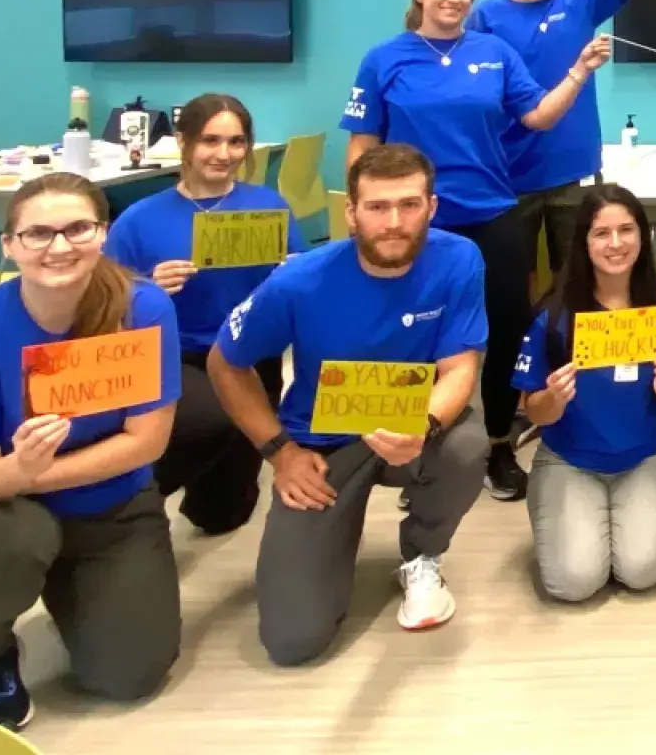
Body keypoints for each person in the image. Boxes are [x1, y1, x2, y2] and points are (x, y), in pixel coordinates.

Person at [0, 174, 182, 730]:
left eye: (77, 228)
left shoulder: (143, 308)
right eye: (37, 234)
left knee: (129, 678)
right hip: (7, 516)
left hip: (112, 511)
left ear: (103, 233)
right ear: (7, 245)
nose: (59, 247)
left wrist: (23, 472)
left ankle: (76, 595)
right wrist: (10, 475)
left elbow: (147, 443)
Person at [341, 0, 611, 504]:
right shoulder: (383, 59)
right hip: (414, 221)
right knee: (412, 332)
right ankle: (405, 448)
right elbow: (362, 145)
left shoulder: (494, 52)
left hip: (493, 212)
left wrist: (579, 71)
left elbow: (538, 116)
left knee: (505, 333)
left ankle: (496, 445)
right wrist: (364, 215)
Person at [208, 143, 491, 666]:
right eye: (377, 207)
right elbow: (225, 363)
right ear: (351, 212)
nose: (393, 222)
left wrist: (423, 426)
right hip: (322, 443)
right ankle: (328, 542)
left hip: (411, 423)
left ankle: (422, 556)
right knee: (293, 642)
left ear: (431, 207)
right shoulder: (299, 280)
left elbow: (459, 370)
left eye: (409, 205)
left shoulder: (459, 259)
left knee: (468, 446)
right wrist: (279, 452)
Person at [466, 0, 656, 288]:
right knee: (509, 290)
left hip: (572, 176)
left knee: (580, 287)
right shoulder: (485, 17)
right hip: (508, 177)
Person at [106, 92, 304, 534]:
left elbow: (308, 283)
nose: (224, 154)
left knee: (224, 515)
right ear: (184, 143)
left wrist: (293, 275)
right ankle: (129, 500)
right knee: (209, 423)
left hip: (252, 353)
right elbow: (101, 307)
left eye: (236, 143)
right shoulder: (138, 221)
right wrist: (147, 288)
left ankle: (203, 489)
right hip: (178, 356)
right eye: (210, 141)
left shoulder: (269, 207)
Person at [512, 184, 656, 602]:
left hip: (647, 455)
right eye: (602, 233)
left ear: (644, 235)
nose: (616, 244)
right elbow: (533, 410)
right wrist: (553, 398)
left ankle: (619, 522)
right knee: (572, 583)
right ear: (583, 241)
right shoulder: (554, 315)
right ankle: (583, 522)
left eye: (627, 230)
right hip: (570, 460)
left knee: (643, 571)